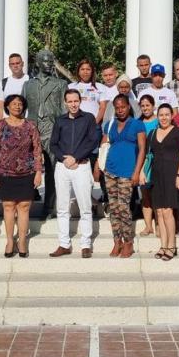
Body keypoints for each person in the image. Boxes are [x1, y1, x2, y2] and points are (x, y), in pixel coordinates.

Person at [49, 89, 102, 258]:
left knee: (85, 206)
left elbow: (92, 140)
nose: (73, 104)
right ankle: (64, 243)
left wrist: (76, 158)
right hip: (63, 166)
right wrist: (64, 159)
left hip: (82, 166)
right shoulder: (60, 120)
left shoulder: (88, 118)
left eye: (75, 101)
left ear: (80, 101)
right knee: (62, 207)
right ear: (65, 102)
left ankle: (86, 244)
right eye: (70, 101)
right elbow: (53, 144)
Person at [0, 94, 43, 258]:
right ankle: (10, 241)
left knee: (24, 207)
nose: (17, 106)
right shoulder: (0, 125)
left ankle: (22, 241)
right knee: (9, 206)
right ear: (7, 106)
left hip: (27, 172)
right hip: (5, 172)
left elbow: (37, 150)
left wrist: (39, 172)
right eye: (14, 104)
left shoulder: (31, 126)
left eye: (20, 104)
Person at [99, 94, 146, 258]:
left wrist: (137, 172)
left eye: (123, 107)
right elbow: (104, 145)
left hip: (128, 172)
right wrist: (99, 167)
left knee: (124, 208)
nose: (120, 110)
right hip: (110, 170)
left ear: (128, 107)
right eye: (117, 108)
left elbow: (142, 149)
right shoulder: (110, 125)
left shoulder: (137, 124)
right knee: (113, 208)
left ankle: (128, 242)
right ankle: (116, 241)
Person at [23, 49, 68, 218]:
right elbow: (21, 109)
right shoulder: (28, 85)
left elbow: (64, 110)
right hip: (32, 129)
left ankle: (49, 207)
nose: (49, 64)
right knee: (28, 169)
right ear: (38, 63)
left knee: (52, 170)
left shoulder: (60, 84)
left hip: (52, 128)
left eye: (51, 61)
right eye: (46, 61)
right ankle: (27, 201)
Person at [145, 104, 179, 262]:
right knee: (160, 212)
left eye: (167, 114)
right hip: (156, 176)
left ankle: (172, 245)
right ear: (157, 116)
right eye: (161, 115)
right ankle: (163, 245)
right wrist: (144, 173)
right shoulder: (152, 133)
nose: (163, 118)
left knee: (169, 211)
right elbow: (149, 156)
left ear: (171, 116)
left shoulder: (178, 132)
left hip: (172, 175)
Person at [138, 95, 159, 237]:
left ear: (153, 106)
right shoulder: (137, 123)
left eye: (148, 105)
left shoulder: (159, 121)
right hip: (143, 161)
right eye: (143, 106)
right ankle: (148, 226)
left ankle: (159, 224)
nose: (145, 108)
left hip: (157, 160)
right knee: (145, 194)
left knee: (157, 194)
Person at [69, 59, 110, 125]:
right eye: (82, 69)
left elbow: (103, 107)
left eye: (88, 69)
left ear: (92, 71)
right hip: (75, 124)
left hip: (94, 125)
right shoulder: (70, 87)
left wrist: (95, 122)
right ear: (78, 71)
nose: (85, 72)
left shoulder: (100, 87)